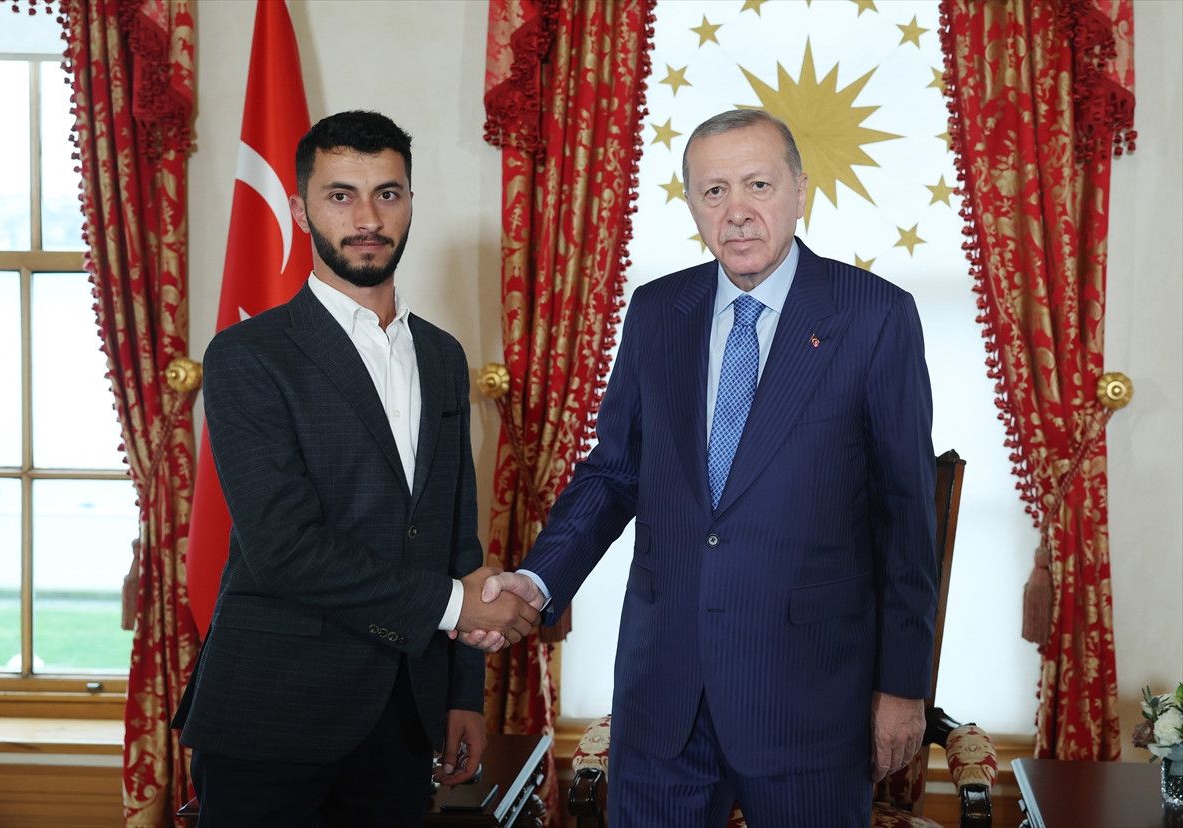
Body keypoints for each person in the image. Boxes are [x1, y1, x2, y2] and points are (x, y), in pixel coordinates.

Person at [472, 109, 938, 825]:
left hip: (808, 701)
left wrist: (903, 687)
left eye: (758, 185)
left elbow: (906, 515)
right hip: (665, 696)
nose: (737, 211)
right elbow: (614, 472)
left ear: (800, 190)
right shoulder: (658, 311)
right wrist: (536, 582)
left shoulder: (874, 316)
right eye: (714, 191)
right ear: (690, 203)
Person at [173, 110, 540, 827]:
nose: (367, 218)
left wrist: (462, 693)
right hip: (271, 715)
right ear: (299, 210)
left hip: (405, 715)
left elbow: (456, 539)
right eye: (340, 195)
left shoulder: (442, 356)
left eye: (387, 194)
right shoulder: (247, 356)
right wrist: (456, 607)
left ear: (410, 203)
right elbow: (284, 549)